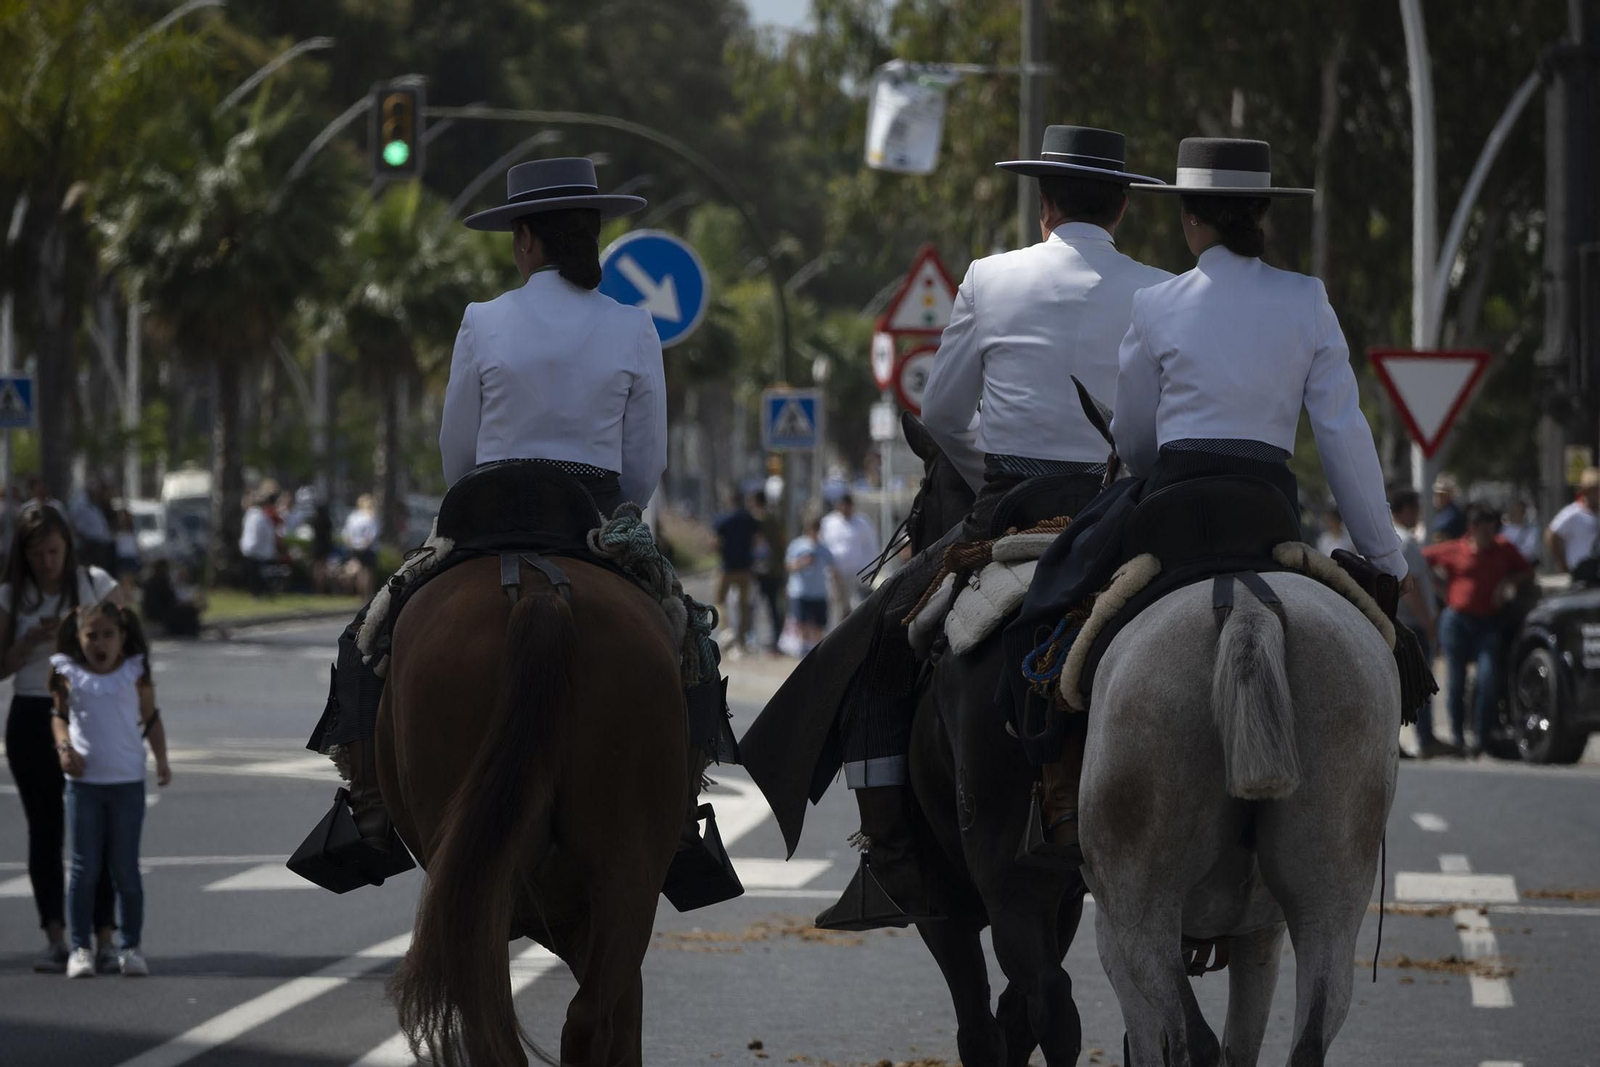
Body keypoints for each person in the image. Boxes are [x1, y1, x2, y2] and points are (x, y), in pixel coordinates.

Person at [777, 125, 1172, 932]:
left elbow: (945, 415)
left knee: (885, 645)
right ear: (1123, 207)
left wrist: (991, 469)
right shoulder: (1165, 292)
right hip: (1123, 517)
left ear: (1044, 203)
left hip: (1012, 504)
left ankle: (888, 849)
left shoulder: (990, 278)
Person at [1005, 136, 1408, 860]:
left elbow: (1134, 444)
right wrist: (1386, 557)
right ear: (1262, 213)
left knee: (1054, 603)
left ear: (1190, 217)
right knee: (1390, 652)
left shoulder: (1158, 304)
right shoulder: (1307, 299)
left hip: (1174, 511)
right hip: (1270, 515)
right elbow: (1344, 437)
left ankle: (1060, 782)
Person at [308, 157, 663, 884]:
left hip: (489, 512)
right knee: (687, 642)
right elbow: (644, 463)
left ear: (525, 239)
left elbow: (456, 452)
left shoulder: (483, 320)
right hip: (593, 518)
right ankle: (682, 815)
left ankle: (368, 808)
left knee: (369, 636)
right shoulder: (634, 325)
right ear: (589, 235)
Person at [0, 504, 120, 973]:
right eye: (37, 555)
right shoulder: (12, 596)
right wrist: (29, 641)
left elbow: (128, 649)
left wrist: (80, 639)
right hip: (32, 711)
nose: (47, 563)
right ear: (23, 556)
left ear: (67, 548)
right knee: (45, 829)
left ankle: (104, 937)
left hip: (89, 712)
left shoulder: (94, 584)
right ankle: (55, 936)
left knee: (97, 829)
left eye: (53, 552)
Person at [48, 601, 171, 978]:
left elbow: (151, 718)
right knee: (83, 869)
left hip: (126, 783)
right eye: (91, 636)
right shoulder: (69, 674)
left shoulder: (134, 673)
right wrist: (64, 749)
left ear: (122, 636)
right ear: (78, 637)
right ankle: (81, 948)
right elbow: (59, 718)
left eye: (108, 635)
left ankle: (130, 946)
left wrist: (162, 760)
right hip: (84, 786)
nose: (100, 644)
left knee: (126, 870)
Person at [1424, 504, 1534, 757]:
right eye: (1484, 530)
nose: (1488, 535)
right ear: (1472, 529)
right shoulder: (1455, 548)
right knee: (1456, 681)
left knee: (1487, 678)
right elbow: (1422, 560)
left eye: (1492, 530)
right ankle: (1458, 737)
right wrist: (1439, 588)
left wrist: (1507, 582)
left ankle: (1482, 737)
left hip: (1487, 622)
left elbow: (1527, 571)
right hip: (1457, 621)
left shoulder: (1503, 548)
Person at [1391, 489, 1444, 757]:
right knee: (1419, 683)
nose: (1419, 514)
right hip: (1411, 624)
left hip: (1396, 621)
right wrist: (1428, 621)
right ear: (1406, 510)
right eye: (1417, 509)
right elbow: (1409, 587)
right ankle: (1425, 739)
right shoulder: (1406, 542)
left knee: (1398, 684)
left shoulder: (1386, 538)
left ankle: (1398, 742)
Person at [712, 494, 760, 651]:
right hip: (745, 567)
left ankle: (726, 631)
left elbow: (716, 541)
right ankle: (742, 640)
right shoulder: (749, 519)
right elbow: (756, 541)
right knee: (743, 605)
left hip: (727, 567)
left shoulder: (723, 519)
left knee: (719, 601)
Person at [818, 493, 879, 614]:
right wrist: (828, 568)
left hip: (856, 575)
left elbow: (871, 547)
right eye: (843, 505)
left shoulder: (862, 522)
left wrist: (867, 570)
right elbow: (822, 545)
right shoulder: (828, 522)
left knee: (855, 607)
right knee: (836, 608)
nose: (845, 508)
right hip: (834, 575)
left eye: (848, 505)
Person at [785, 516, 834, 654]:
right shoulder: (797, 545)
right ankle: (804, 649)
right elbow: (789, 566)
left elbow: (832, 567)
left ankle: (817, 651)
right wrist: (802, 562)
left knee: (819, 625)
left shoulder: (823, 548)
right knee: (802, 622)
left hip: (819, 592)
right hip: (800, 591)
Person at [751, 492, 787, 654]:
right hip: (774, 570)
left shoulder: (757, 520)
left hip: (760, 571)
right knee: (773, 607)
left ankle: (754, 640)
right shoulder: (774, 520)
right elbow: (781, 542)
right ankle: (775, 640)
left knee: (754, 606)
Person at [1546, 469, 1599, 574]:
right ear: (1585, 491)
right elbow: (1552, 535)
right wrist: (1562, 563)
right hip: (1581, 572)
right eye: (1594, 490)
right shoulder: (1572, 513)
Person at [239, 488, 279, 598]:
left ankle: (257, 593)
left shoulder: (252, 515)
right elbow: (263, 533)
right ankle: (257, 593)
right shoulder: (258, 516)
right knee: (256, 575)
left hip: (251, 548)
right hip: (256, 549)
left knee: (255, 574)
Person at [341, 495, 380, 600]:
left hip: (355, 547)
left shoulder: (354, 516)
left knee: (358, 572)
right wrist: (366, 545)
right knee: (367, 573)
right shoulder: (371, 516)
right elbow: (372, 535)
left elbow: (346, 533)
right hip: (367, 548)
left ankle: (359, 594)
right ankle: (366, 595)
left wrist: (351, 544)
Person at [1502, 497, 1541, 568]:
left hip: (1525, 566)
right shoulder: (1503, 529)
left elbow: (1530, 551)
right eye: (1513, 511)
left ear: (1524, 513)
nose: (1515, 514)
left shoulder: (1533, 530)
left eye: (1518, 511)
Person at [309, 503, 336, 595]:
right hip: (324, 546)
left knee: (316, 568)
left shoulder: (315, 520)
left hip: (316, 545)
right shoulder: (327, 521)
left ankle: (316, 588)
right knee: (322, 568)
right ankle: (321, 589)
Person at [112, 510, 140, 597]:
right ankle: (125, 596)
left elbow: (136, 543)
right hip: (122, 557)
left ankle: (130, 596)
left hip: (131, 556)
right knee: (123, 579)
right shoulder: (116, 529)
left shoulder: (132, 530)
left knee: (131, 579)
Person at [1432, 475, 1467, 542]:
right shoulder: (1439, 513)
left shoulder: (1453, 514)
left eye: (1441, 495)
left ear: (1449, 495)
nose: (1438, 498)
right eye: (1436, 494)